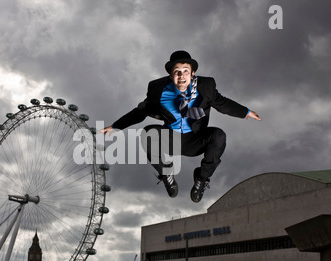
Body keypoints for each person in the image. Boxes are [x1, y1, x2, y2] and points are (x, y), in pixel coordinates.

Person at [100, 51, 261, 202]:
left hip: (196, 139)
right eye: (177, 71)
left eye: (185, 71)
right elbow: (140, 112)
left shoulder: (206, 86)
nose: (181, 76)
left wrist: (245, 112)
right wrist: (116, 126)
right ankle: (166, 174)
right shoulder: (157, 90)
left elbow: (222, 103)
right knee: (148, 133)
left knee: (219, 136)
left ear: (192, 74)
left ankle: (201, 179)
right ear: (170, 75)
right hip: (172, 139)